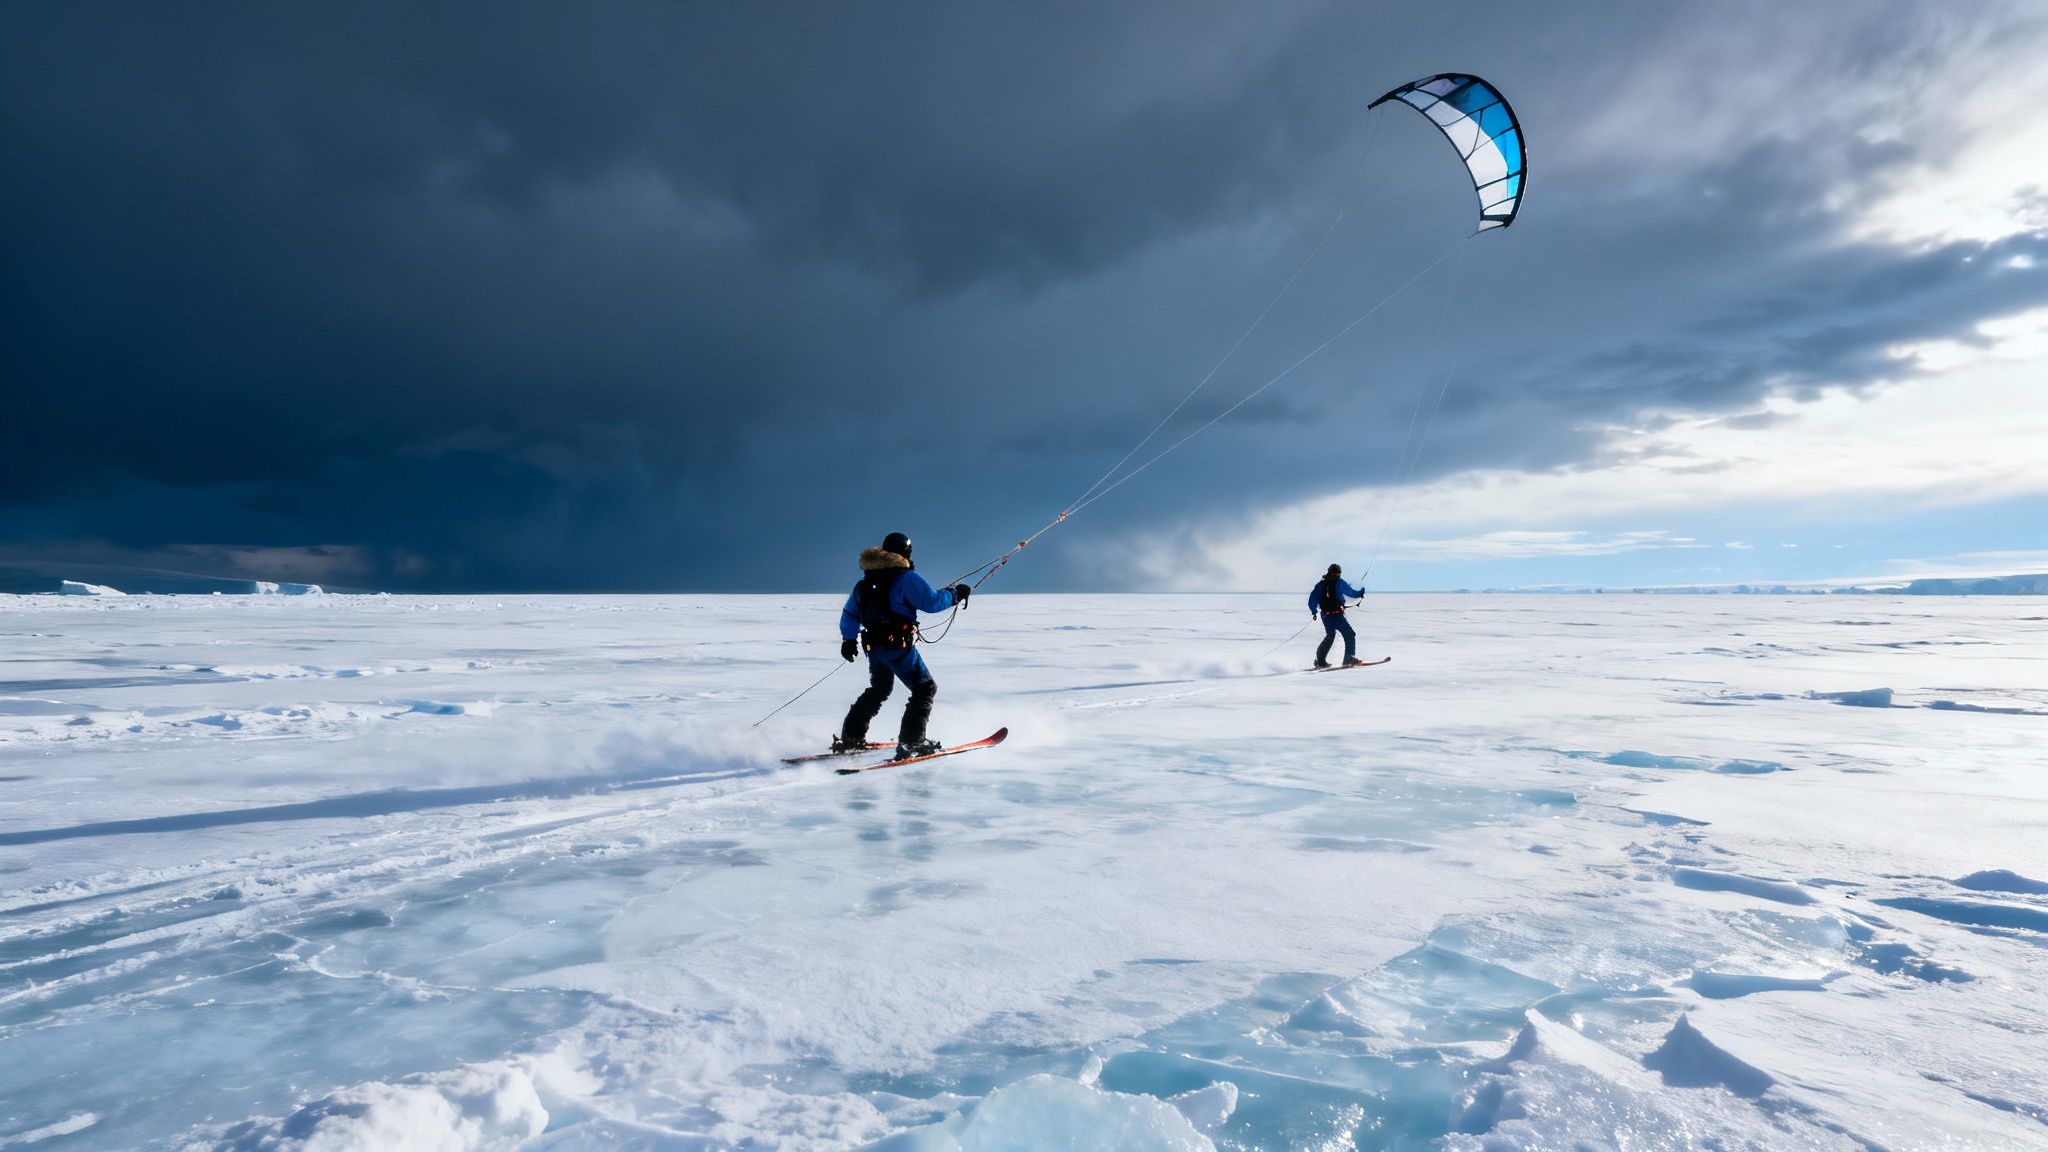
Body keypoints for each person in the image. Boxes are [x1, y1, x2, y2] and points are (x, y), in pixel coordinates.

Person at [836, 532, 973, 759]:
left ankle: (851, 738)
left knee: (879, 689)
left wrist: (848, 640)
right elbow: (931, 602)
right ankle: (912, 742)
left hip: (874, 649)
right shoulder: (906, 578)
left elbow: (850, 613)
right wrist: (956, 594)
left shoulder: (864, 583)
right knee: (924, 689)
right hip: (898, 648)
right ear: (906, 554)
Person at [1308, 563, 1367, 668]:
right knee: (1349, 635)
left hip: (1326, 616)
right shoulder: (1339, 582)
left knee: (1330, 635)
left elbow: (1312, 600)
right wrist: (1360, 592)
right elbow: (1351, 593)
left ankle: (1321, 661)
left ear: (1328, 572)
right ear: (1339, 574)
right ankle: (1348, 659)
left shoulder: (1321, 584)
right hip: (1337, 616)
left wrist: (1314, 611)